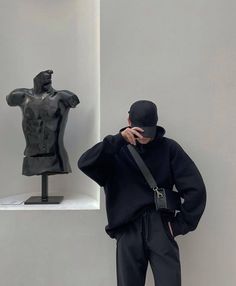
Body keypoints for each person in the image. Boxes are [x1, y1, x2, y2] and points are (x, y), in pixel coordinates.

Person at [77, 99, 207, 286]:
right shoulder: (114, 150)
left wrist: (179, 225)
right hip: (127, 228)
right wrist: (117, 140)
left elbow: (196, 189)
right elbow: (85, 163)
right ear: (129, 122)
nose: (145, 136)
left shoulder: (169, 148)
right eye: (140, 130)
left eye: (149, 130)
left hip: (160, 226)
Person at [6, 69, 80, 176]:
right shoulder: (21, 96)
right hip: (31, 156)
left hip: (55, 156)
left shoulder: (64, 97)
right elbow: (9, 100)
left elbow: (74, 101)